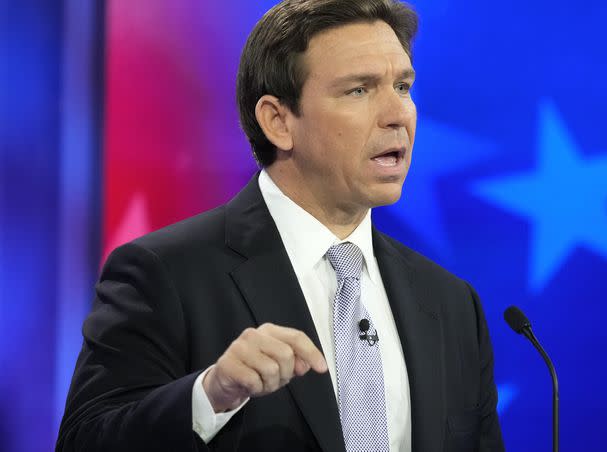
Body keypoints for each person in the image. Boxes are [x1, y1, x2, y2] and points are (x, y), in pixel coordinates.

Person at [56, 0, 504, 450]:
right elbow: (85, 441)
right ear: (277, 121)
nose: (398, 115)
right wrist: (210, 396)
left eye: (403, 86)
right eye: (359, 90)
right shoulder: (163, 273)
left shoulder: (451, 304)